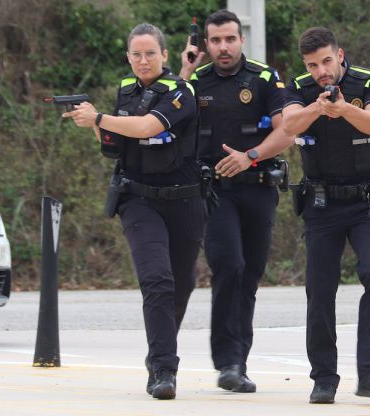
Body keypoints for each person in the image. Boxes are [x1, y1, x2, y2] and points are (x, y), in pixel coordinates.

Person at [63, 23, 205, 400]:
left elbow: (146, 126)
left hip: (186, 200)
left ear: (163, 54)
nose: (143, 60)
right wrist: (94, 125)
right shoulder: (126, 90)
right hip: (139, 199)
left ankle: (158, 351)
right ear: (128, 57)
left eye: (150, 53)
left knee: (182, 284)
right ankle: (163, 369)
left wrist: (98, 119)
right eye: (136, 54)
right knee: (156, 280)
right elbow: (114, 144)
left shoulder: (181, 91)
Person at [179, 9, 291, 393]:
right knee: (229, 265)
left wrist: (251, 156)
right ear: (205, 44)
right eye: (215, 41)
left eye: (229, 39)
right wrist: (184, 73)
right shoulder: (196, 80)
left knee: (250, 274)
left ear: (241, 39)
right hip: (214, 191)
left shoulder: (264, 78)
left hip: (258, 186)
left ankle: (238, 362)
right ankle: (226, 360)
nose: (223, 47)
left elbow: (286, 133)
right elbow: (165, 114)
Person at [282, 27, 370, 404]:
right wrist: (317, 106)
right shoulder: (298, 87)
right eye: (313, 65)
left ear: (340, 55)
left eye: (327, 62)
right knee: (319, 290)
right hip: (322, 203)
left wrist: (344, 108)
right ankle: (324, 378)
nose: (321, 71)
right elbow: (288, 126)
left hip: (366, 201)